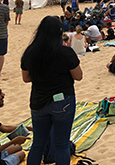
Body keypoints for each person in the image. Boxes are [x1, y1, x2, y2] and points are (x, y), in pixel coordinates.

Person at [21, 16, 82, 165]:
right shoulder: (65, 52)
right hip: (62, 101)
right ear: (59, 32)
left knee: (38, 144)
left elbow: (26, 78)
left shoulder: (30, 52)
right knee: (61, 145)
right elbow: (78, 76)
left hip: (38, 101)